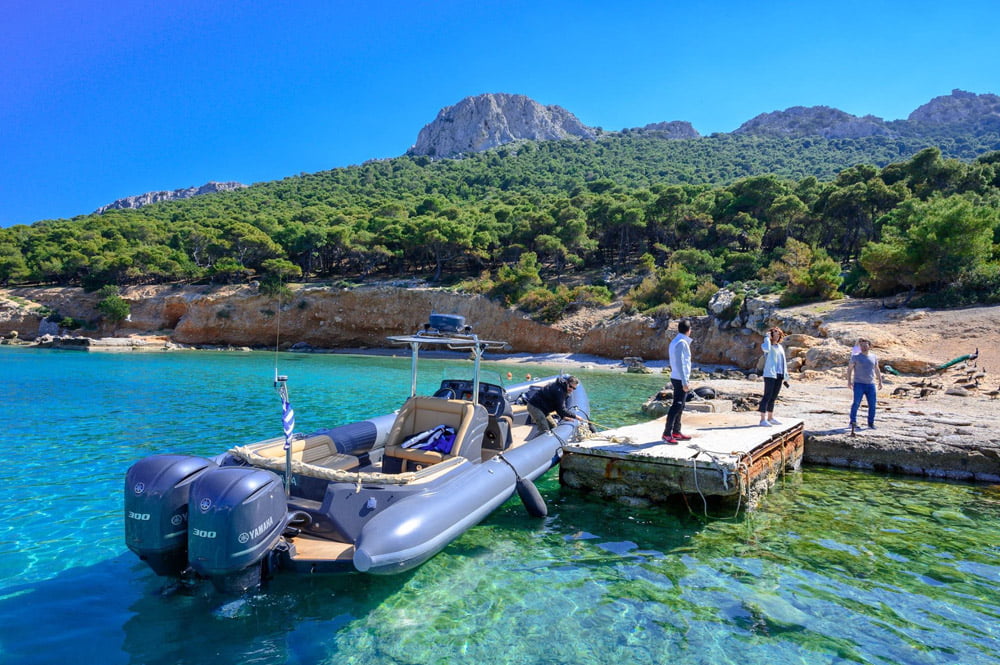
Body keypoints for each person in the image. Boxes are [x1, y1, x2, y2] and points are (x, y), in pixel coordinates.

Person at [662, 319, 693, 444]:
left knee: (681, 405)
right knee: (677, 405)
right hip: (680, 378)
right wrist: (685, 381)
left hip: (676, 376)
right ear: (689, 330)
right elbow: (680, 364)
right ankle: (667, 433)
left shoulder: (675, 341)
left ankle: (676, 431)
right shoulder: (681, 343)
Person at [847, 338, 883, 429]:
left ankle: (871, 423)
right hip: (859, 384)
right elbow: (850, 369)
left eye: (865, 345)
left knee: (872, 404)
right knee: (856, 403)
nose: (863, 347)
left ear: (869, 346)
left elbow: (877, 369)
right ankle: (853, 422)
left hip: (871, 384)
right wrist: (849, 381)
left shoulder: (874, 356)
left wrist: (880, 381)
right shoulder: (855, 356)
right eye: (862, 346)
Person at [758, 327, 788, 426]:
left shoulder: (780, 347)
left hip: (779, 374)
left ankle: (770, 418)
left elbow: (783, 362)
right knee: (767, 395)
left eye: (778, 333)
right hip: (770, 374)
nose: (777, 335)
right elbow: (766, 349)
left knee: (773, 397)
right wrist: (767, 337)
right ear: (771, 334)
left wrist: (785, 376)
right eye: (774, 333)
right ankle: (762, 420)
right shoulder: (767, 345)